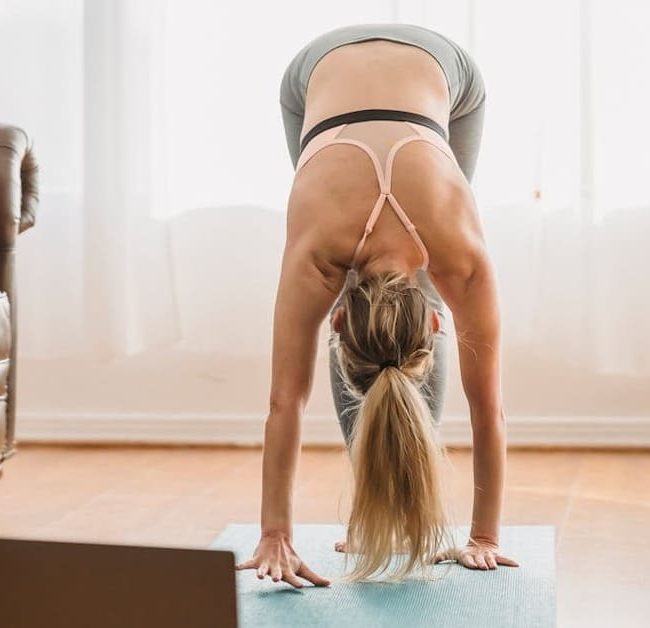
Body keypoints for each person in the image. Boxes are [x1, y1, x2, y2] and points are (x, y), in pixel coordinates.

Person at [235, 23, 519, 588]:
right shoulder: (456, 257)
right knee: (385, 283)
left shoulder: (326, 257)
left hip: (445, 76)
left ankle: (405, 506)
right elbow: (491, 410)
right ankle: (378, 509)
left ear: (332, 321)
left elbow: (282, 405)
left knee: (401, 281)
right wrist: (484, 539)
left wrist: (276, 534)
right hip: (314, 77)